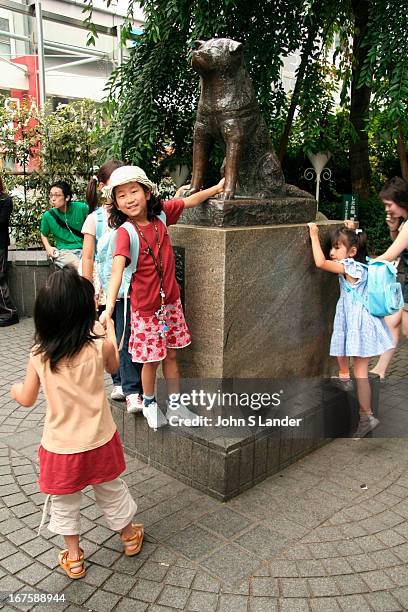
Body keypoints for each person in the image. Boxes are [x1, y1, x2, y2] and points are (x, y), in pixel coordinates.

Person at [10, 266, 143, 579]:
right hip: (100, 439)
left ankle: (74, 557)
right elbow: (114, 363)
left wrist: (15, 390)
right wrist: (107, 327)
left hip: (60, 447)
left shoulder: (39, 355)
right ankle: (128, 536)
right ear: (85, 312)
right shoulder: (97, 346)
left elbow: (27, 398)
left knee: (64, 502)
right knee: (111, 490)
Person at [103, 165, 225, 430]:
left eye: (134, 191)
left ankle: (176, 405)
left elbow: (189, 200)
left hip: (170, 305)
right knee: (151, 360)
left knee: (170, 356)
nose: (129, 199)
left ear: (147, 193)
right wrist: (109, 305)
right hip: (146, 310)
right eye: (121, 196)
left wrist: (217, 188)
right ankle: (148, 403)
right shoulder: (125, 233)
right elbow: (116, 271)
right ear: (116, 203)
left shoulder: (161, 216)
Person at [308, 223, 395, 438]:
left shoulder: (349, 266)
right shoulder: (362, 265)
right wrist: (350, 228)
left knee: (356, 368)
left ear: (352, 251)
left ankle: (346, 381)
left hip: (356, 323)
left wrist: (313, 234)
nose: (332, 252)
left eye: (337, 248)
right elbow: (347, 246)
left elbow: (320, 262)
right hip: (362, 321)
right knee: (361, 372)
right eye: (332, 247)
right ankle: (366, 415)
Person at [81, 160, 145, 412]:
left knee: (124, 335)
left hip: (127, 288)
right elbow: (88, 256)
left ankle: (127, 385)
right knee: (110, 334)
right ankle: (119, 382)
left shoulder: (130, 214)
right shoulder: (94, 218)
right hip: (103, 287)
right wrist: (87, 288)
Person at [373, 177, 408, 341]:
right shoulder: (405, 222)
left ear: (400, 200)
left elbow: (390, 255)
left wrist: (359, 266)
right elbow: (400, 245)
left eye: (389, 204)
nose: (387, 209)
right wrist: (393, 228)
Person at [40, 181, 88, 269]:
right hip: (64, 252)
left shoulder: (82, 208)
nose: (53, 199)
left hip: (85, 249)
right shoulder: (48, 215)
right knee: (79, 267)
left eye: (57, 195)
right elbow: (43, 234)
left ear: (67, 197)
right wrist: (48, 247)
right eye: (51, 195)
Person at [0, 174, 18, 327]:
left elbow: (2, 221)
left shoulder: (5, 199)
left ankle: (10, 313)